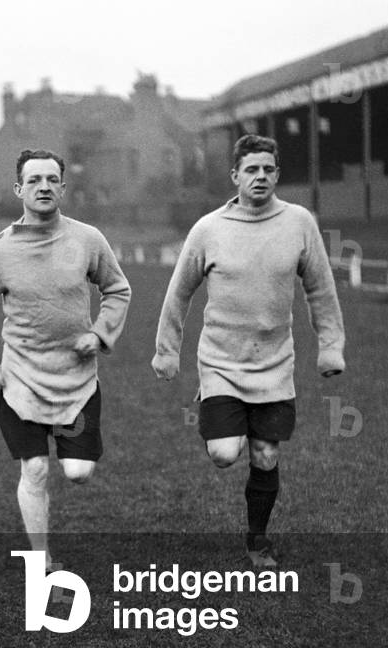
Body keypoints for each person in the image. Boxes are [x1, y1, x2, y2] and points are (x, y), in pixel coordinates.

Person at [151, 134, 345, 567]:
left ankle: (257, 541)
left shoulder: (299, 223)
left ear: (277, 173)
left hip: (275, 363)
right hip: (221, 360)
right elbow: (178, 292)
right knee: (223, 454)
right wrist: (167, 351)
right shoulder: (208, 229)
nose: (260, 176)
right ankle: (213, 402)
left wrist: (331, 345)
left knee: (266, 453)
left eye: (268, 169)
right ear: (235, 176)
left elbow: (320, 288)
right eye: (251, 169)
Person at [0, 149, 131, 570]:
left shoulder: (88, 240)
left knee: (78, 472)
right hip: (20, 382)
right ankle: (42, 558)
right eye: (34, 180)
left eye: (52, 180)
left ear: (63, 188)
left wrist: (100, 333)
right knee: (34, 469)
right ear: (19, 189)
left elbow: (117, 289)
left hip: (76, 380)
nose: (44, 187)